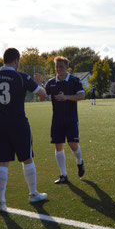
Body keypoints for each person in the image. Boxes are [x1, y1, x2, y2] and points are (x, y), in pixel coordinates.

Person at [0, 48, 48, 212]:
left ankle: (1, 201)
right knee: (27, 158)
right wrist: (38, 84)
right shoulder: (20, 76)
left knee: (2, 162)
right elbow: (42, 94)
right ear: (16, 60)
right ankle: (33, 194)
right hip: (18, 123)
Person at [42, 56, 85, 184]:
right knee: (58, 146)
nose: (58, 69)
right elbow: (42, 97)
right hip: (57, 119)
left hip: (71, 118)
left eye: (61, 66)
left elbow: (82, 96)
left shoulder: (74, 80)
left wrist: (65, 97)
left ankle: (79, 161)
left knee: (72, 144)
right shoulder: (51, 82)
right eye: (57, 66)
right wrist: (39, 87)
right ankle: (63, 175)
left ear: (66, 67)